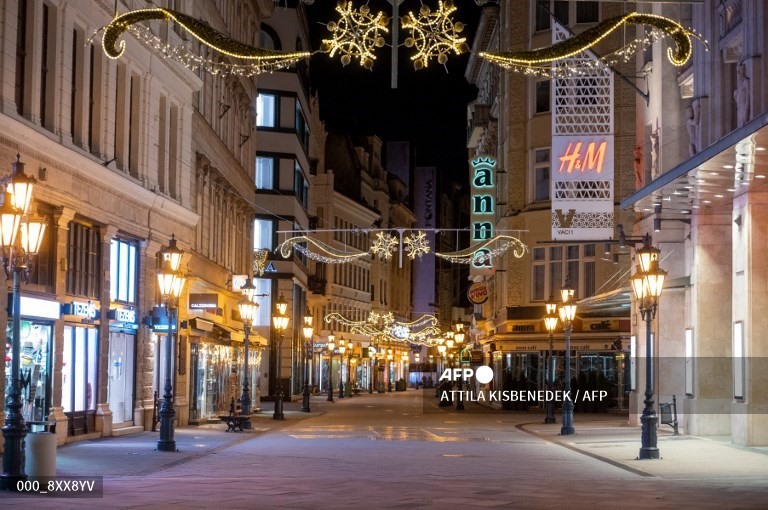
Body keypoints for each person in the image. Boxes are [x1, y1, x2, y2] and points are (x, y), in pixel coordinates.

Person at [734, 62, 750, 127]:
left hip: (744, 108)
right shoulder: (739, 84)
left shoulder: (746, 82)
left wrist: (746, 111)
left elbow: (747, 98)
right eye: (737, 72)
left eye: (739, 71)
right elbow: (738, 101)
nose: (738, 74)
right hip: (740, 109)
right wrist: (735, 96)